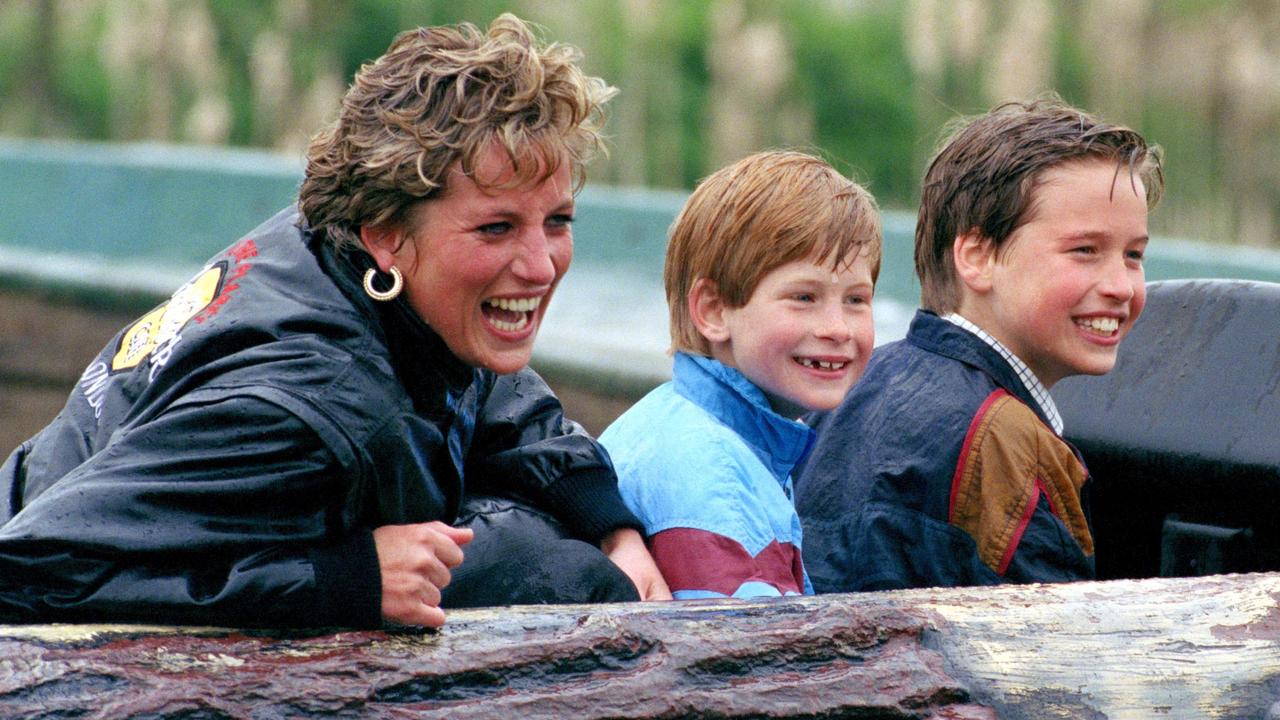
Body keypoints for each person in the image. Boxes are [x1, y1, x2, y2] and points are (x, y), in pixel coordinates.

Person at [0, 14, 669, 629]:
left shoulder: (345, 255)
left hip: (100, 496)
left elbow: (489, 385)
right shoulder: (305, 409)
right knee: (556, 573)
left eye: (557, 222)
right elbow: (26, 570)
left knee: (558, 542)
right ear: (385, 237)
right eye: (495, 228)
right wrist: (342, 579)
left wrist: (610, 521)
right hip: (54, 602)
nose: (541, 265)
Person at [794, 97, 1164, 592]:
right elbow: (1053, 656)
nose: (1121, 285)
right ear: (977, 257)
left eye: (1134, 255)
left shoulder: (849, 389)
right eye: (1085, 251)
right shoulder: (1014, 448)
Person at [599, 151, 882, 599]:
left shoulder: (687, 422)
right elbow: (746, 662)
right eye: (804, 297)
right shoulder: (716, 485)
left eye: (856, 300)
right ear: (713, 311)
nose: (837, 328)